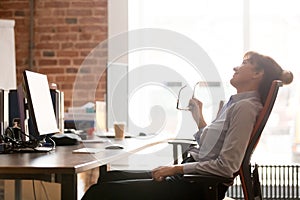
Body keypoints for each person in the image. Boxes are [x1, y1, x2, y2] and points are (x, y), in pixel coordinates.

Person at [82, 51, 293, 200]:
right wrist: (198, 117)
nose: (236, 67)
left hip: (195, 186)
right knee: (109, 177)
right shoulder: (235, 103)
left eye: (245, 63)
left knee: (98, 193)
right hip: (189, 176)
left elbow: (226, 166)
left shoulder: (245, 108)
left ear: (258, 74)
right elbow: (212, 147)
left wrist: (174, 168)